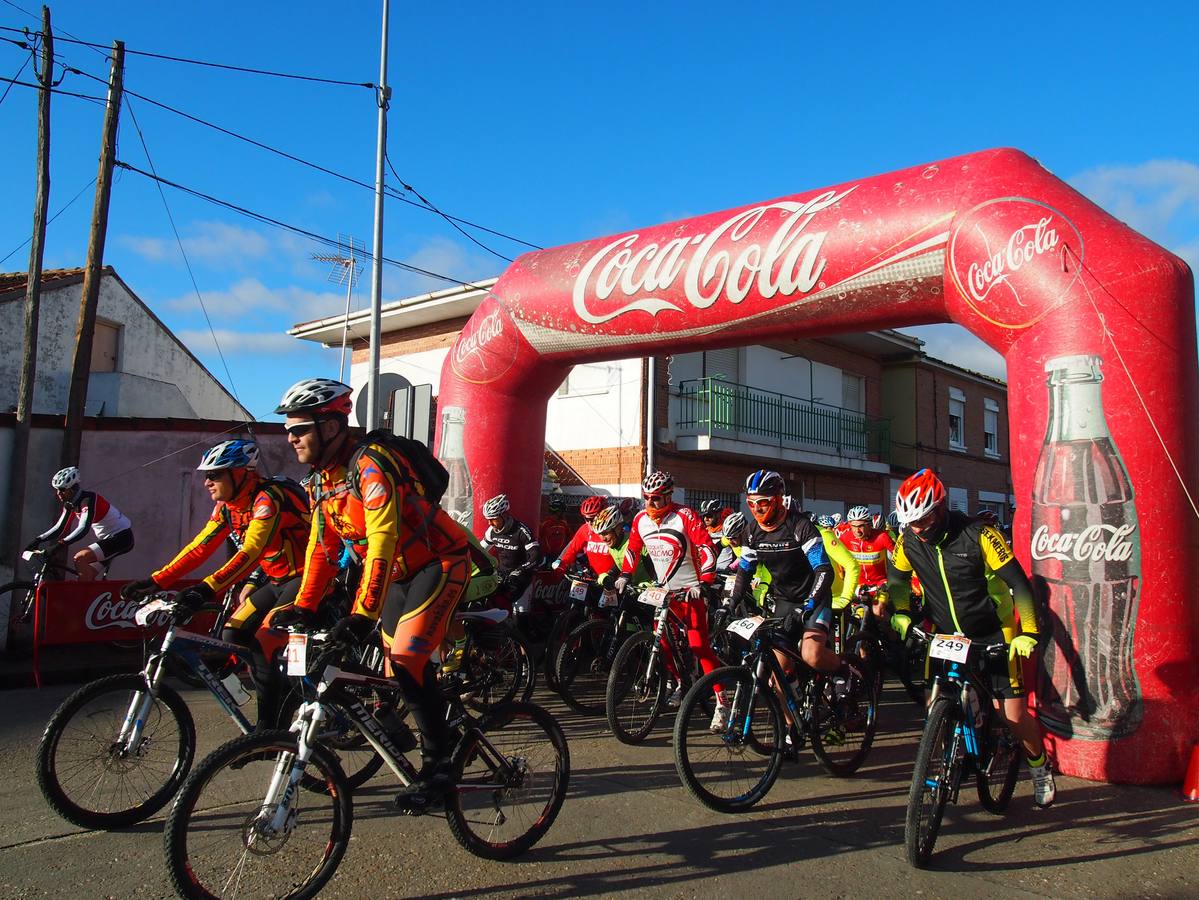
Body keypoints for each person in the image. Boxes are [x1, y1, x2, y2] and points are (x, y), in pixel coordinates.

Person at [272, 377, 470, 812]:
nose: (291, 437)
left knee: (406, 659)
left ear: (330, 427)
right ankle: (412, 724)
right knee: (385, 672)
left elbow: (381, 538)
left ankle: (440, 763)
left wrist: (363, 614)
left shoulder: (369, 465)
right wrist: (303, 605)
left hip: (440, 562)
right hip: (399, 576)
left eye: (300, 428)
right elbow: (320, 551)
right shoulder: (321, 482)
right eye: (289, 429)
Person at [887, 468, 1056, 808]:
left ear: (940, 508)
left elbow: (1020, 584)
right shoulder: (908, 540)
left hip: (994, 629)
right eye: (911, 522)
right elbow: (898, 579)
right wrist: (902, 611)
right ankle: (959, 741)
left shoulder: (978, 534)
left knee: (1011, 714)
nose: (917, 529)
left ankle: (1040, 767)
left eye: (922, 520)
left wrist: (1029, 634)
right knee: (936, 700)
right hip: (948, 632)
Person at [121, 439, 310, 727]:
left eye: (214, 474)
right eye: (206, 475)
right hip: (277, 579)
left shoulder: (267, 498)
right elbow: (200, 547)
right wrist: (156, 580)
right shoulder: (227, 507)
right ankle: (279, 687)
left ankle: (269, 730)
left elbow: (251, 551)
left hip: (309, 578)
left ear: (241, 473)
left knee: (263, 642)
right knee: (232, 635)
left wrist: (205, 589)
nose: (207, 481)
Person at [616, 471, 725, 728]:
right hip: (664, 592)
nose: (650, 505)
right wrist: (624, 576)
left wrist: (705, 582)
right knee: (661, 642)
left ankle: (722, 701)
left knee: (699, 646)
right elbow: (632, 550)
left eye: (656, 499)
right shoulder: (640, 519)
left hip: (690, 590)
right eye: (647, 499)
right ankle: (679, 682)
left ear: (668, 496)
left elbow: (706, 548)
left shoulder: (684, 516)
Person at [728, 470, 844, 679]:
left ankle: (845, 670)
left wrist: (808, 605)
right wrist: (731, 602)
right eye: (751, 503)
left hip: (814, 599)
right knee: (779, 670)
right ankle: (792, 709)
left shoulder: (800, 526)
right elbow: (745, 569)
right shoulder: (752, 531)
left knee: (811, 655)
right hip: (785, 600)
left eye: (762, 502)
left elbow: (824, 571)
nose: (756, 508)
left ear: (778, 499)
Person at [28, 467, 134, 581]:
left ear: (72, 489)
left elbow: (83, 528)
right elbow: (60, 528)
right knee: (85, 579)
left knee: (80, 558)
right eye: (57, 490)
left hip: (121, 538)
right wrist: (38, 540)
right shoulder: (70, 504)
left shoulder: (89, 500)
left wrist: (59, 545)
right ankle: (91, 596)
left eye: (62, 489)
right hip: (108, 540)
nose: (58, 493)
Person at [480, 494, 541, 609]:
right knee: (490, 603)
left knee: (520, 615)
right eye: (488, 519)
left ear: (504, 515)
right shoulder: (491, 531)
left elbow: (536, 555)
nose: (490, 523)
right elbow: (480, 550)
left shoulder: (521, 530)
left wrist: (521, 569)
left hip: (521, 575)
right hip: (502, 573)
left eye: (493, 519)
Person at [839, 505, 895, 620]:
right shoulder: (845, 538)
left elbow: (898, 559)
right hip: (858, 586)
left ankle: (893, 636)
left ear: (869, 524)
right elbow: (837, 560)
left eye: (861, 526)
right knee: (857, 616)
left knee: (878, 613)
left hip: (880, 583)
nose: (857, 531)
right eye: (853, 526)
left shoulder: (882, 537)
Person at [539, 493, 570, 563]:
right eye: (563, 511)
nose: (564, 514)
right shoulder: (545, 523)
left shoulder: (564, 523)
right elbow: (538, 538)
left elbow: (569, 537)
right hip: (546, 556)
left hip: (560, 555)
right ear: (559, 512)